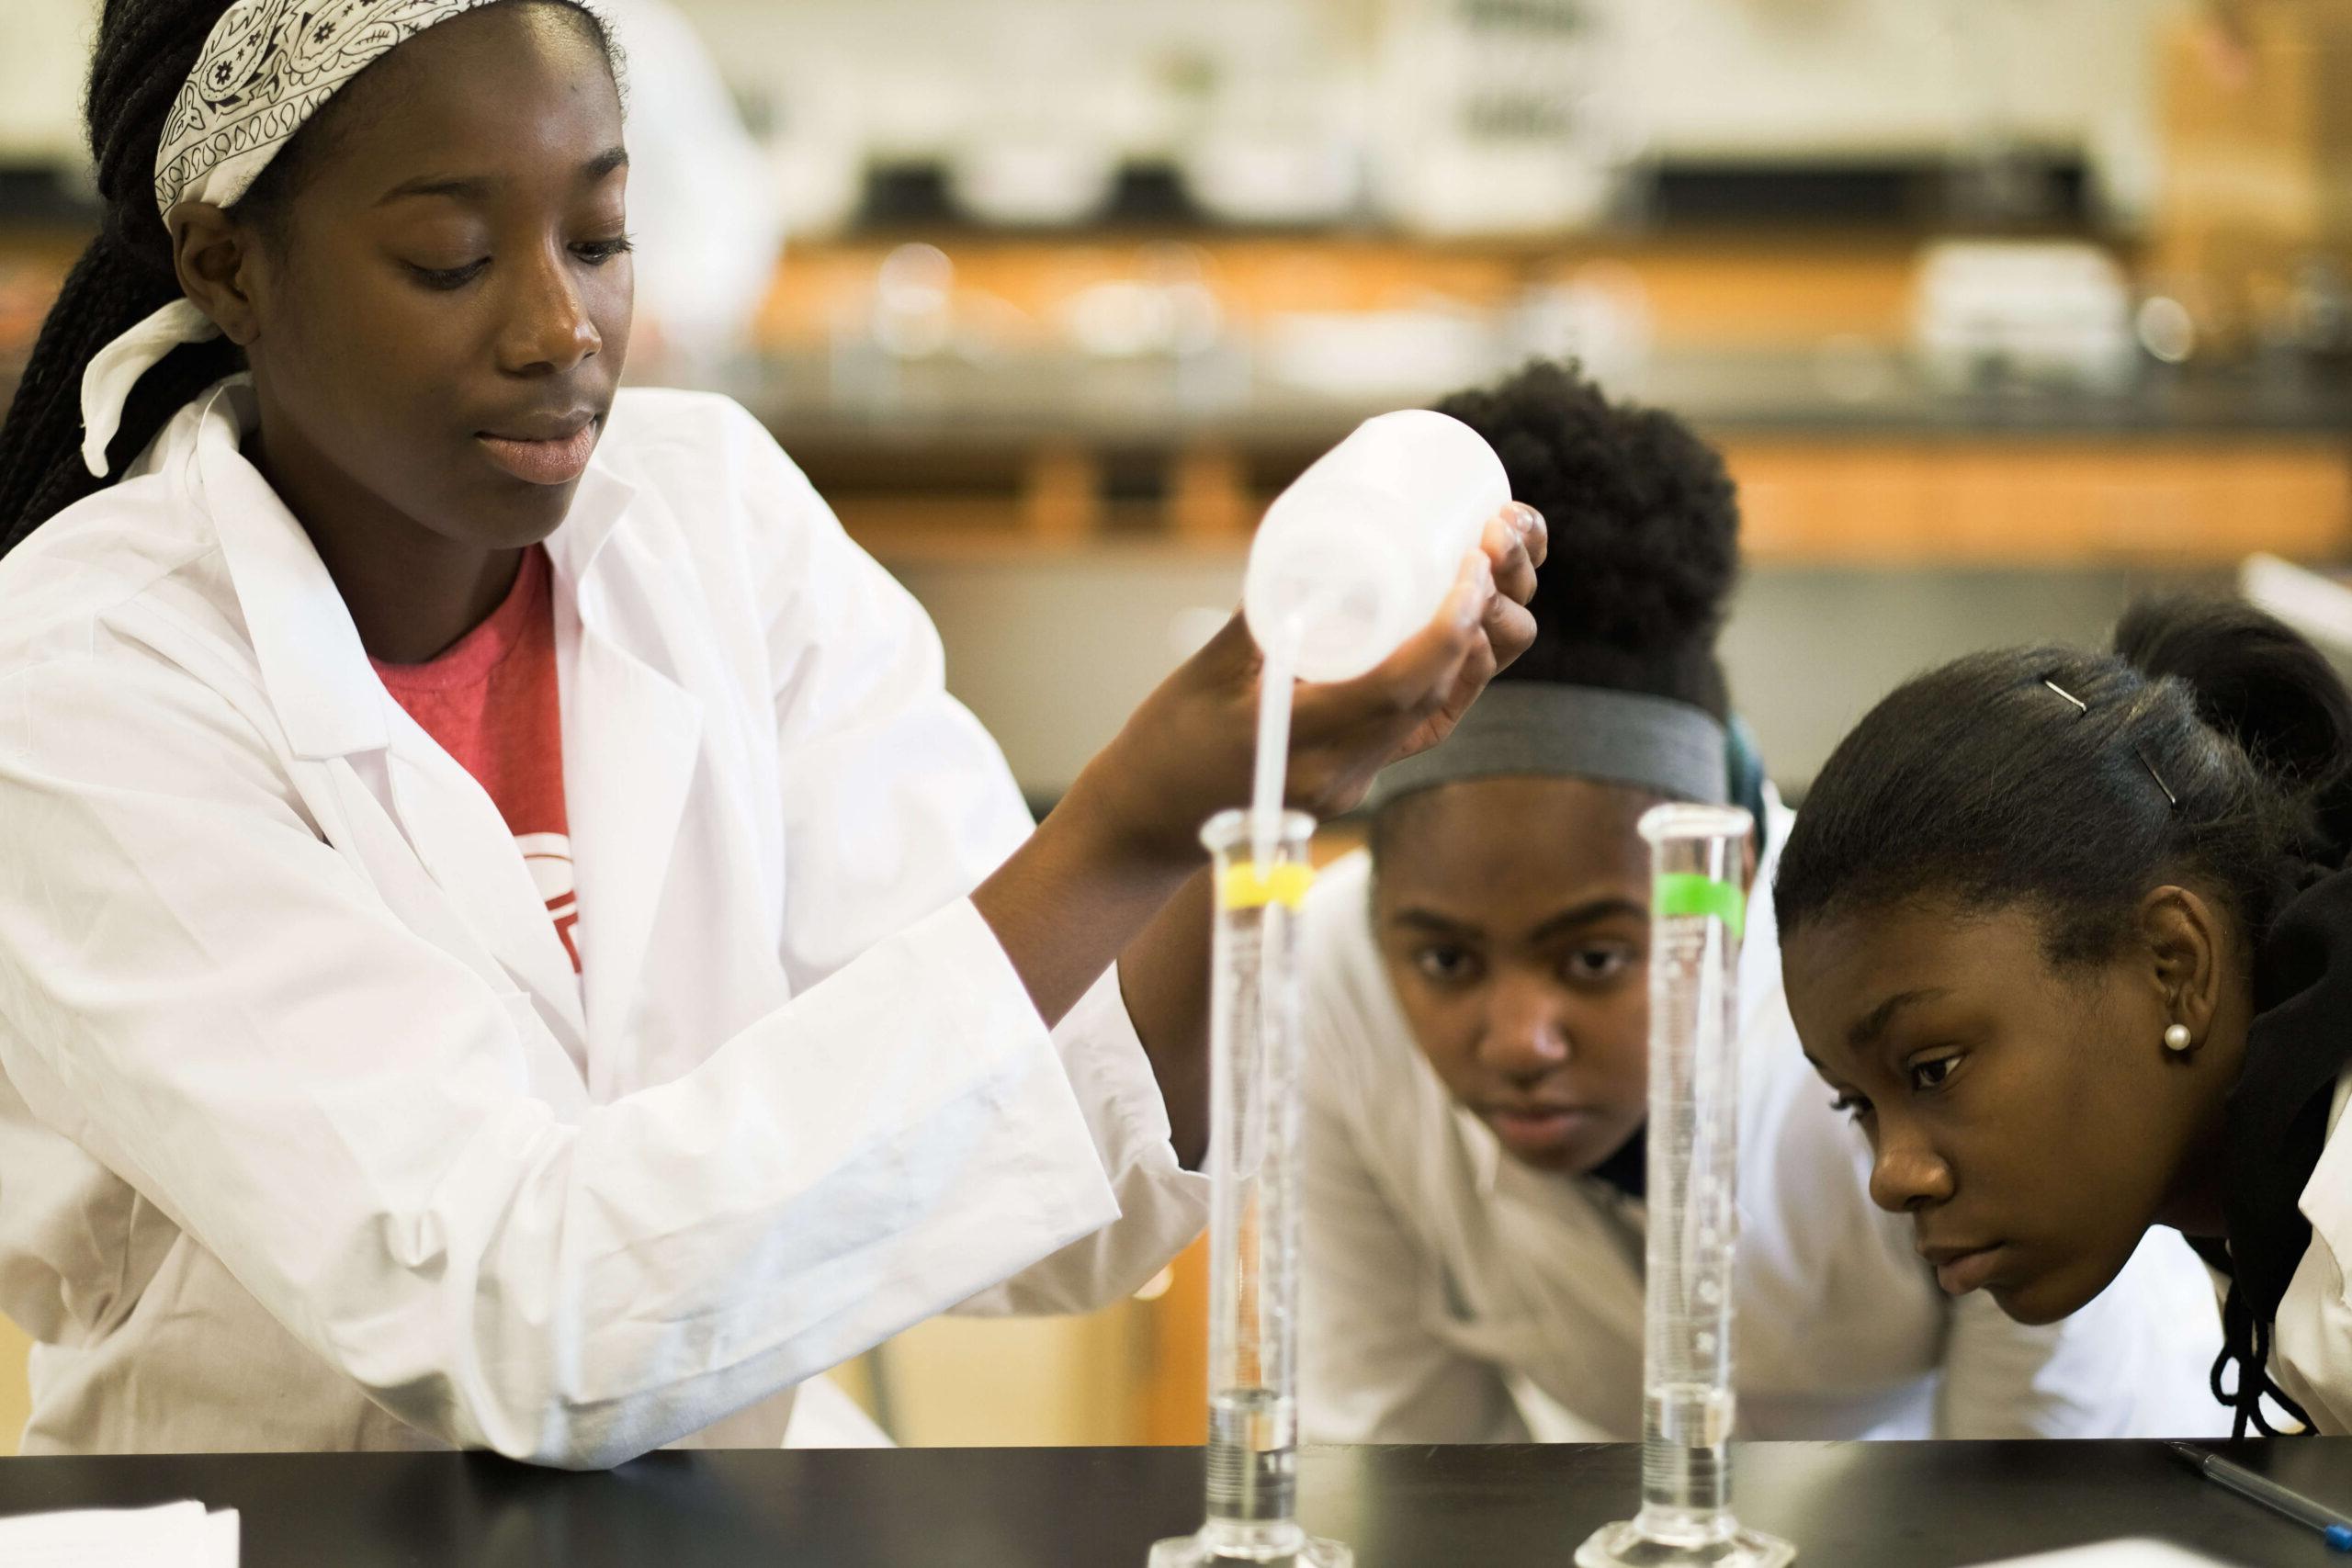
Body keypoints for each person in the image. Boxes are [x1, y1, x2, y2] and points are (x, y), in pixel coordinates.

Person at [0, 0, 1543, 1464]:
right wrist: (1127, 819)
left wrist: (1251, 797)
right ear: (227, 265)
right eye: (451, 256)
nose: (562, 326)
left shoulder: (706, 517)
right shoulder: (85, 679)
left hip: (713, 1501)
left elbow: (1046, 1163)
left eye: (598, 237)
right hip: (279, 1521)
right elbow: (512, 1310)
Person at [1296, 361, 2222, 1444]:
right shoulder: (1332, 972)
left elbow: (2032, 1478)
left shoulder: (1903, 1002)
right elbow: (1411, 1471)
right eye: (1447, 960)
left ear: (1726, 877)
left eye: (1593, 958)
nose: (1520, 1042)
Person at [1776, 595, 2352, 1438]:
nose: (1892, 1176)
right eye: (1856, 1103)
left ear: (2175, 964)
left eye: (1934, 1068)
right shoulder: (2271, 1193)